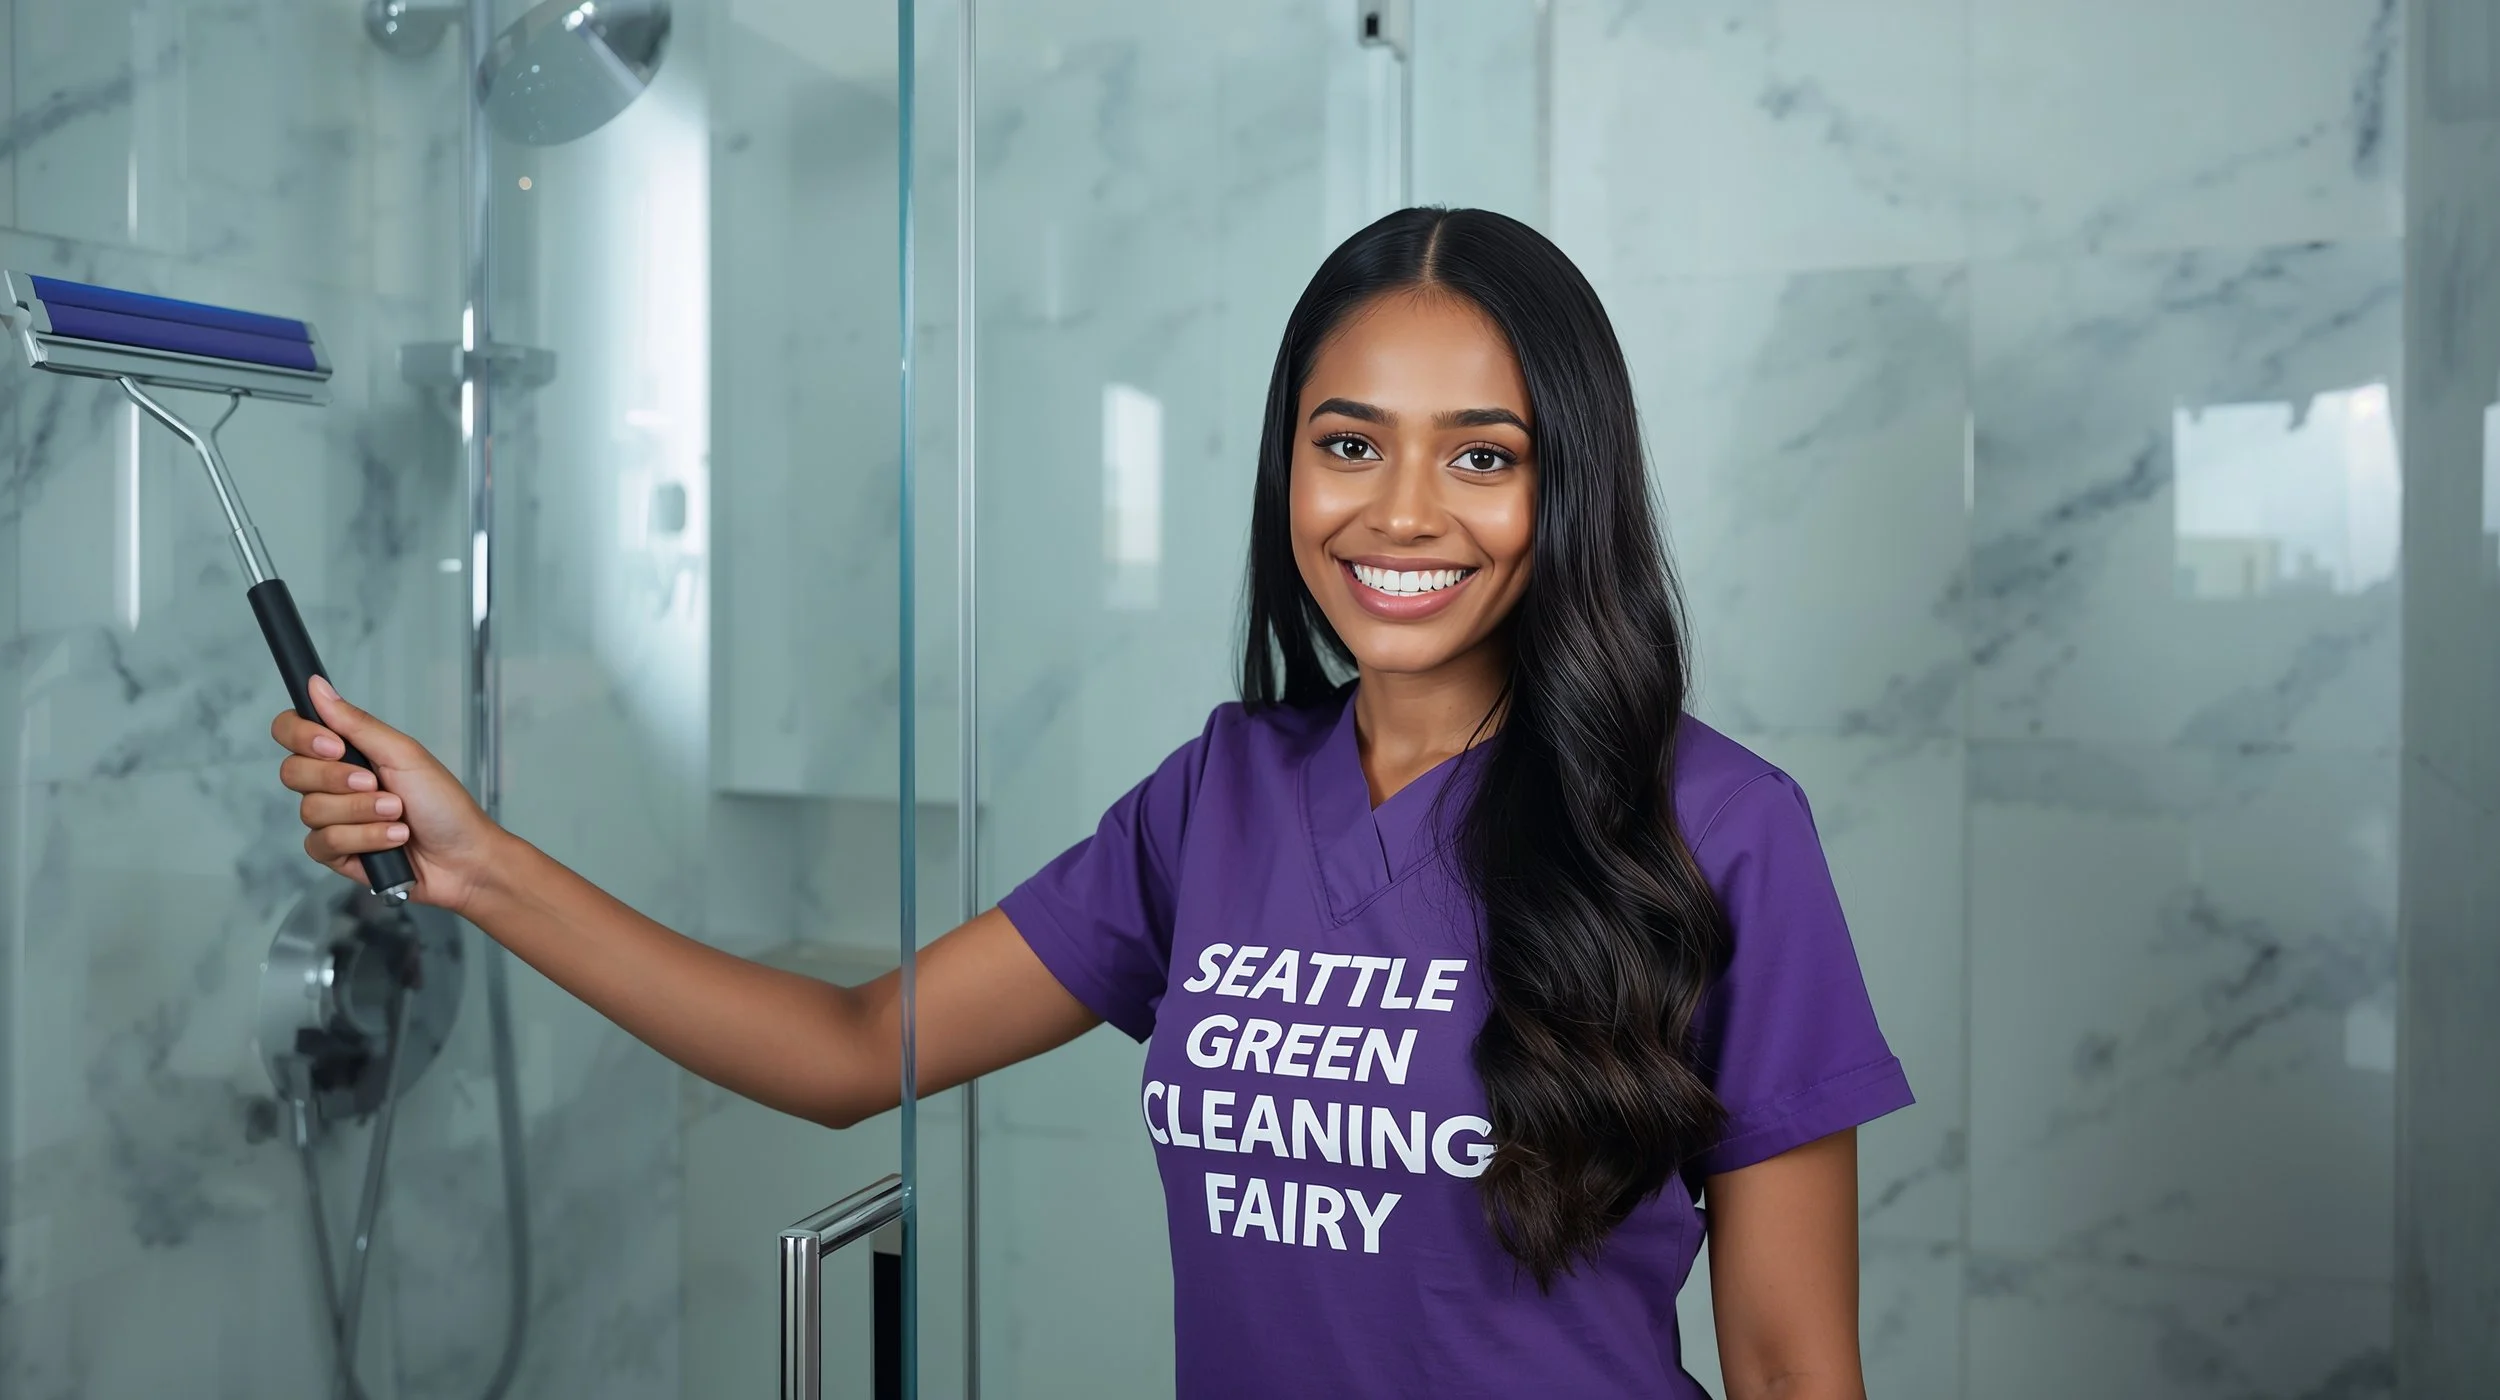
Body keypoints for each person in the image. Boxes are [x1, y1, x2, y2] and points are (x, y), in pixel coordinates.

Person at [273, 207, 1912, 1400]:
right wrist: (478, 865)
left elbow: (1786, 1362)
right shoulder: (1221, 800)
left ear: (1573, 482)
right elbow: (853, 1054)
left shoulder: (1717, 826)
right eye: (1351, 444)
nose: (1405, 511)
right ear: (1287, 468)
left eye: (1484, 456)